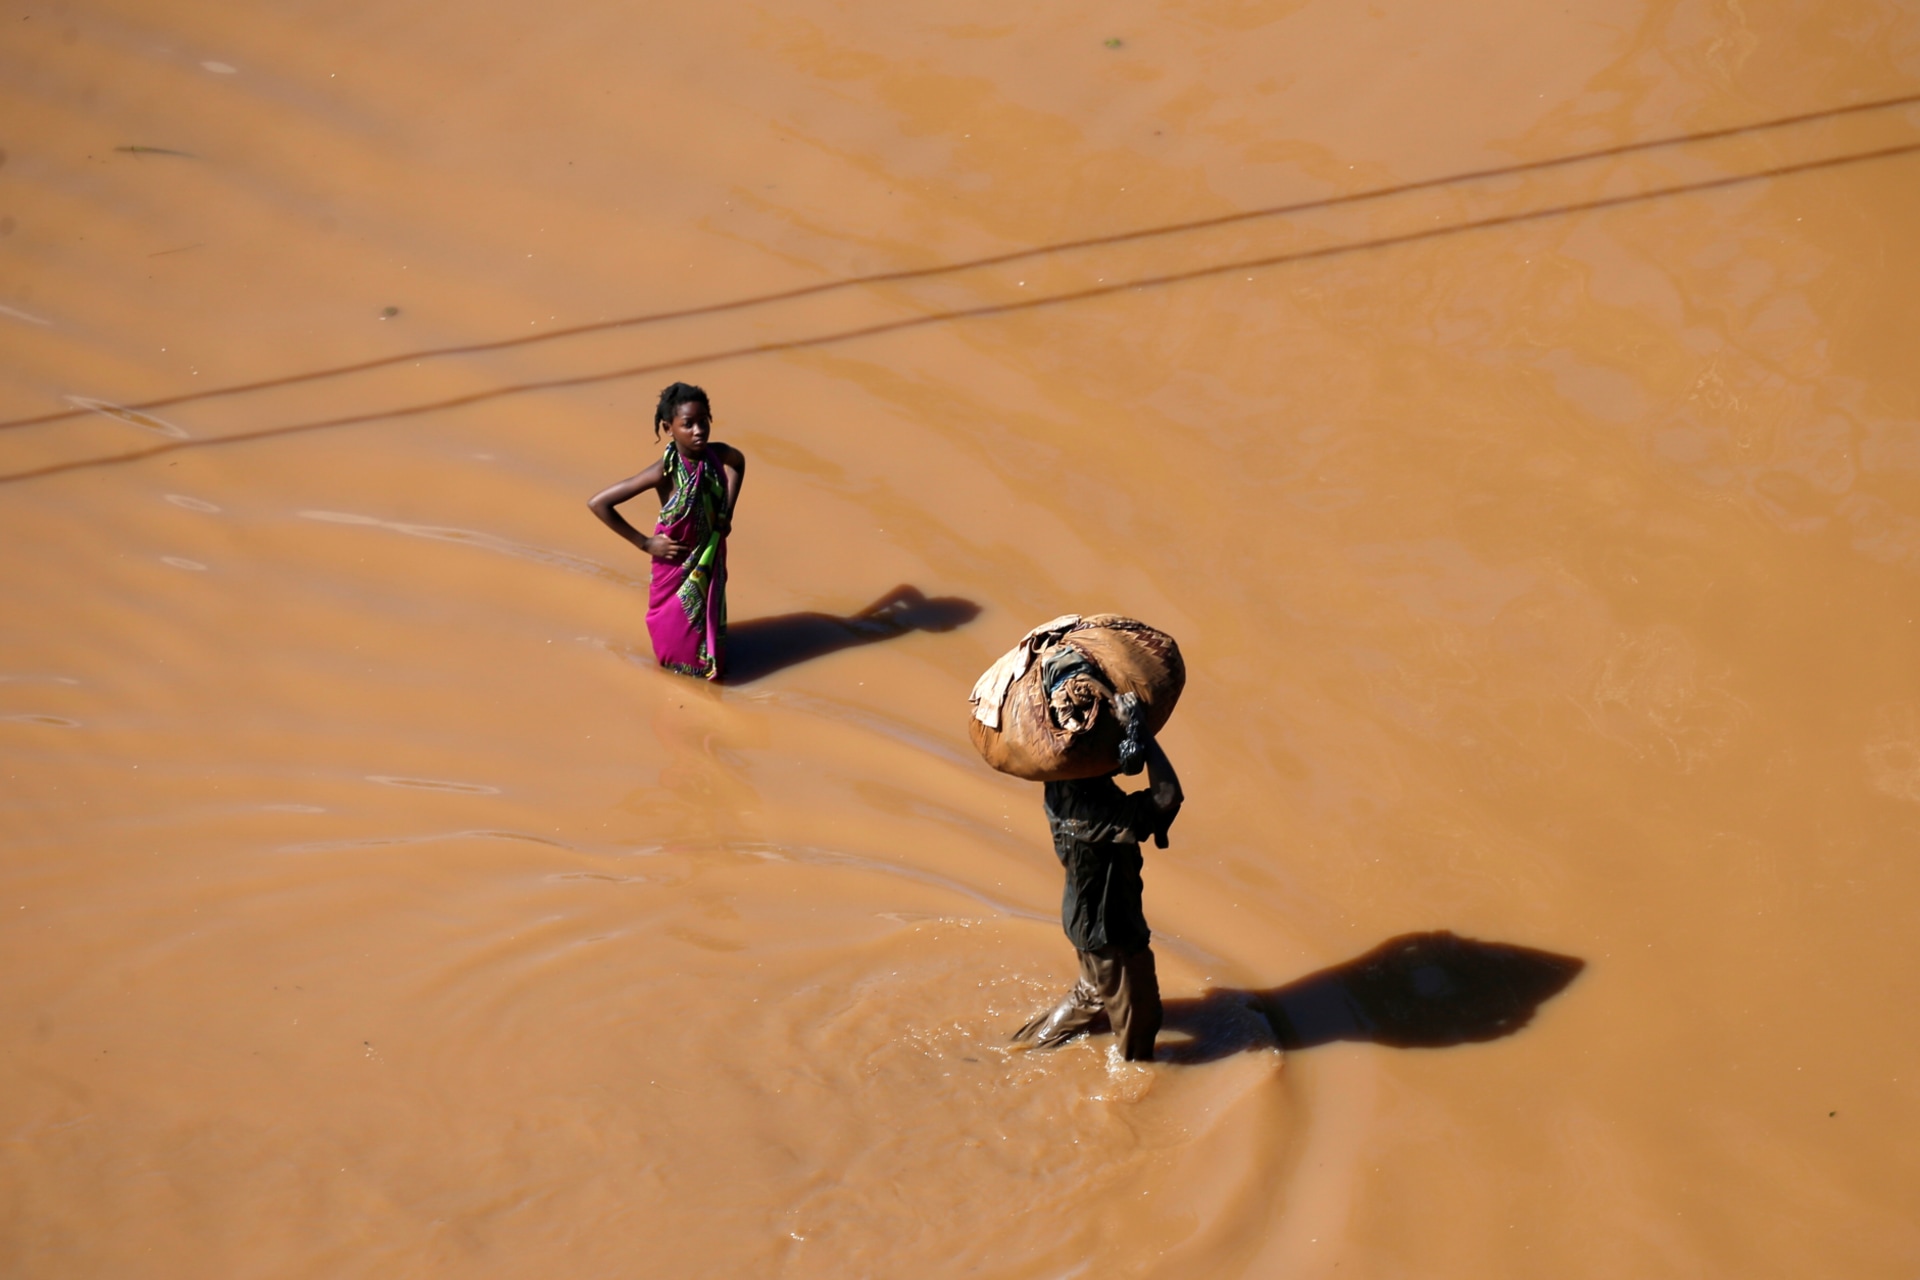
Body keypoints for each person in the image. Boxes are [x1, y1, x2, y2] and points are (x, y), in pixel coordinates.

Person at [1012, 737, 1183, 1062]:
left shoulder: (1060, 786)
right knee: (1141, 1023)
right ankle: (1134, 1084)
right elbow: (1168, 796)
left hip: (1083, 919)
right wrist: (1146, 740)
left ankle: (1023, 1048)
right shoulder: (1096, 816)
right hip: (1111, 931)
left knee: (1090, 993)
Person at [588, 382, 745, 680]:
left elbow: (738, 464)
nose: (698, 430)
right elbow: (599, 503)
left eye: (703, 422)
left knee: (710, 635)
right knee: (676, 651)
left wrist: (727, 511)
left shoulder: (717, 454)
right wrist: (645, 543)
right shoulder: (664, 471)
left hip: (709, 558)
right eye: (688, 424)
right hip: (675, 564)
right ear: (668, 427)